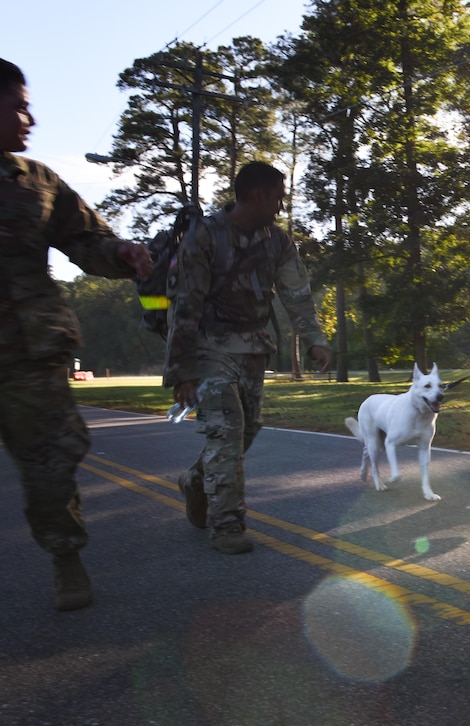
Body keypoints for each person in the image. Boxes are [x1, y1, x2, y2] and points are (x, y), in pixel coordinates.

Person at [0, 58, 153, 610]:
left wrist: (123, 252)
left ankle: (65, 554)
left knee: (51, 462)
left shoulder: (35, 182)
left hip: (30, 356)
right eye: (18, 105)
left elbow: (87, 239)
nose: (29, 118)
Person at [167, 161, 331, 555]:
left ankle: (195, 479)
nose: (280, 206)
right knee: (226, 430)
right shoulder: (203, 237)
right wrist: (181, 371)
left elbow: (297, 293)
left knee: (246, 431)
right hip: (209, 348)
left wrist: (314, 340)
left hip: (253, 348)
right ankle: (226, 524)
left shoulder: (278, 242)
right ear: (257, 195)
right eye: (277, 197)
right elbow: (184, 306)